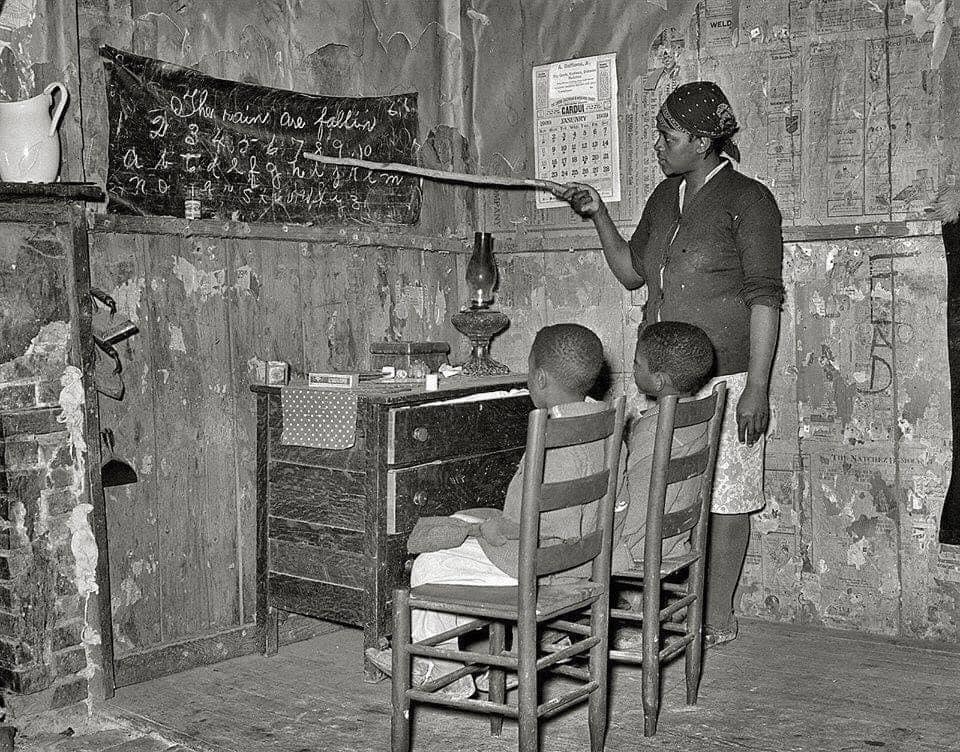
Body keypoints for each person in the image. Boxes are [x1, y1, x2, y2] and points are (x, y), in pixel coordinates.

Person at [555, 81, 784, 646]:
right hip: (656, 380)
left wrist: (756, 387)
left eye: (669, 135)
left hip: (724, 381)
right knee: (651, 491)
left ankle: (717, 614)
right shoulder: (665, 196)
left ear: (704, 141)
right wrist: (598, 214)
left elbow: (765, 298)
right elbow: (633, 272)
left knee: (726, 497)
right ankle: (651, 605)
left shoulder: (750, 201)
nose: (658, 145)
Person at [366, 323, 613, 699]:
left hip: (539, 565)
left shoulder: (548, 435)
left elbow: (531, 527)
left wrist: (492, 530)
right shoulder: (606, 422)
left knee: (430, 564)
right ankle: (497, 655)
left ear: (541, 378)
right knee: (466, 522)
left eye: (529, 371)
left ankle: (442, 669)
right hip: (583, 560)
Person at [612, 321, 715, 573]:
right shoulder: (698, 417)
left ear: (658, 380)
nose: (633, 368)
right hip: (675, 542)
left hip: (639, 548)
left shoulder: (654, 427)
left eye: (637, 364)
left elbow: (635, 505)